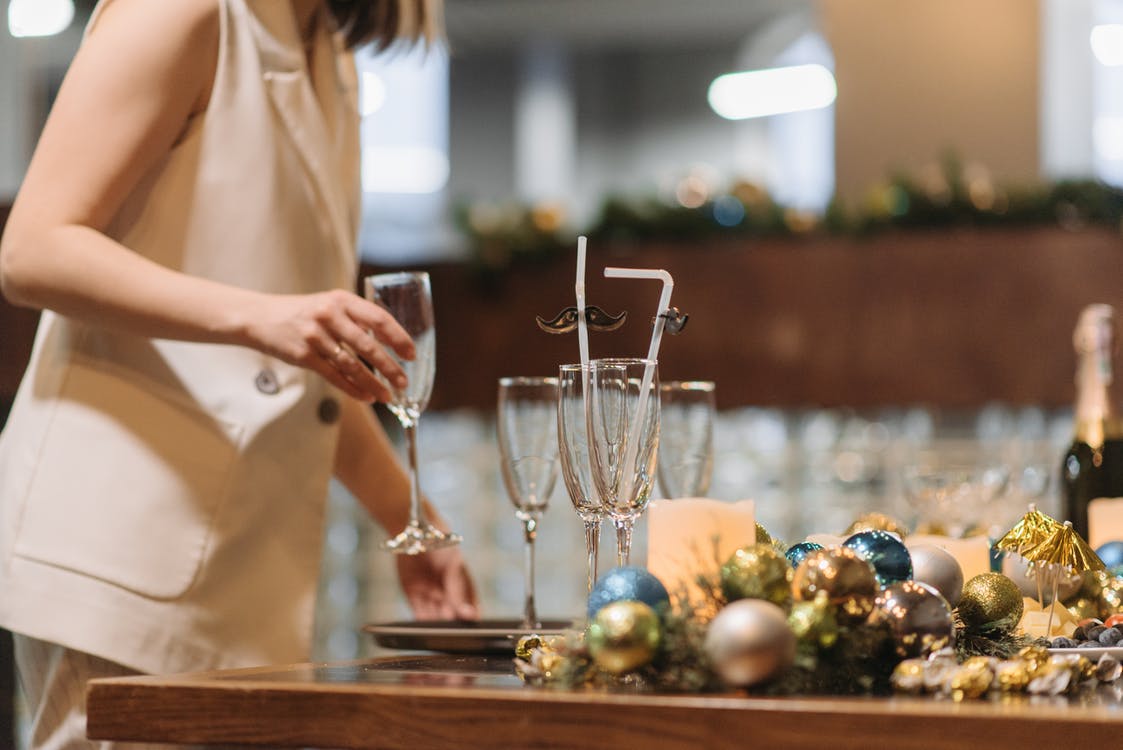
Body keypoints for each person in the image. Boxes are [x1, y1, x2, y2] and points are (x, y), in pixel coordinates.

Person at [0, 0, 477, 746]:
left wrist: (409, 518)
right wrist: (260, 316)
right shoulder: (184, 10)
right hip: (126, 544)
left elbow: (306, 356)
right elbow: (33, 250)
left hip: (241, 566)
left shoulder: (329, 54)